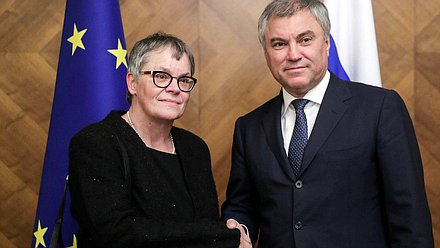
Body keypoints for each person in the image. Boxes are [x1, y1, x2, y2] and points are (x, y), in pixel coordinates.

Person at [221, 0, 434, 247]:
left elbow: (409, 214)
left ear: (326, 43)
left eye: (305, 40)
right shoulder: (249, 127)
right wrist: (239, 229)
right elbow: (241, 206)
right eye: (279, 44)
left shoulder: (380, 108)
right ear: (266, 52)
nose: (293, 54)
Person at [69, 32, 250, 247]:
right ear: (132, 83)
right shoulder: (96, 143)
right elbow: (116, 235)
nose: (174, 88)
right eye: (161, 76)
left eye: (184, 80)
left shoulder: (195, 148)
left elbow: (206, 228)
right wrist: (219, 234)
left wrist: (219, 233)